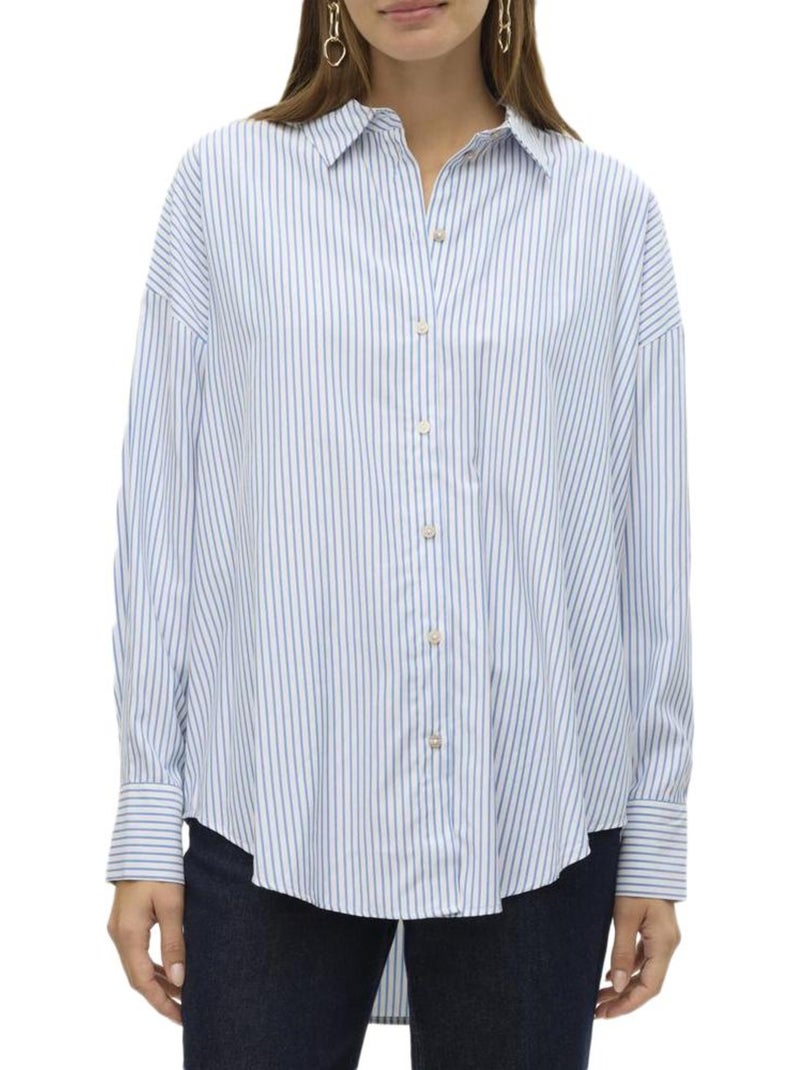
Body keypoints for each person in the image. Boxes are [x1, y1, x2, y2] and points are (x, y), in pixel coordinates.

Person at [104, 2, 694, 1068]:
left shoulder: (607, 214)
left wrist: (653, 833)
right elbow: (161, 520)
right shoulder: (224, 189)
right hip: (272, 804)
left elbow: (648, 548)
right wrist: (148, 811)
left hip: (536, 811)